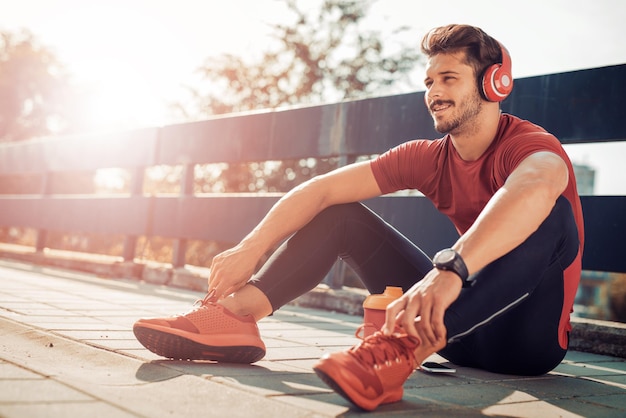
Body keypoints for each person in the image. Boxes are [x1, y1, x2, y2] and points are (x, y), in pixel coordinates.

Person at [133, 23, 584, 411]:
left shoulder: (530, 145)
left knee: (554, 216)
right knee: (340, 212)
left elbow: (538, 184)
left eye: (449, 78)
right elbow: (320, 188)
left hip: (526, 344)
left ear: (494, 84)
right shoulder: (427, 157)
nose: (434, 93)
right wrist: (251, 248)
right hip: (454, 330)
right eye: (429, 82)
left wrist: (449, 270)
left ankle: (397, 350)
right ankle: (236, 316)